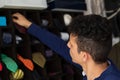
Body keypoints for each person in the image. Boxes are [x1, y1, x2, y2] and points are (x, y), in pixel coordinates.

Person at [12, 12, 120, 80]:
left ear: (84, 55)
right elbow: (59, 46)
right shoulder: (94, 63)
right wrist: (28, 24)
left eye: (71, 45)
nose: (67, 45)